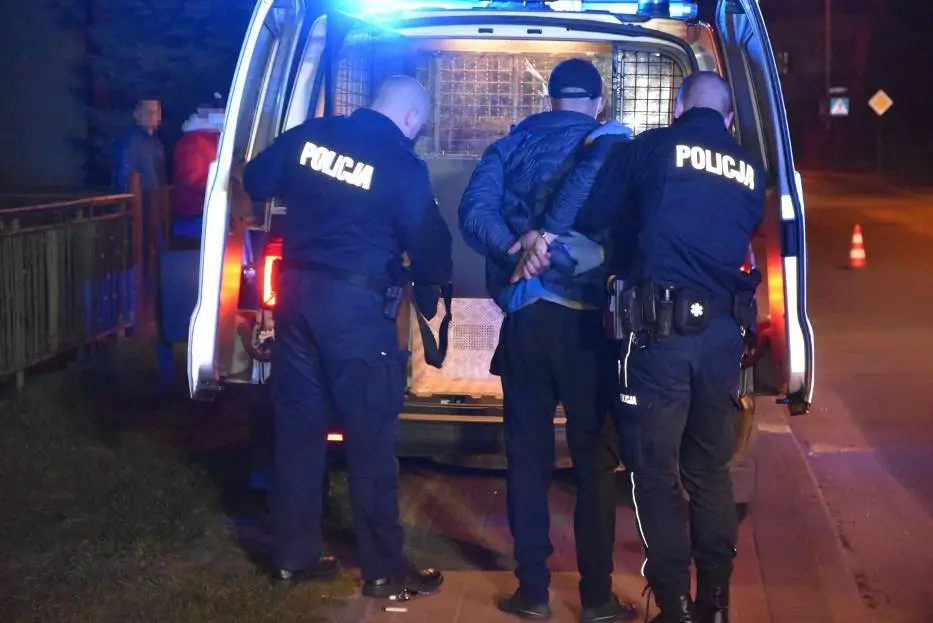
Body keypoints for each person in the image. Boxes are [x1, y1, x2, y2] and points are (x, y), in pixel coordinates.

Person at [518, 71, 765, 623]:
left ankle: (674, 604)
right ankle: (716, 605)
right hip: (722, 338)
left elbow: (596, 215)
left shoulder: (653, 147)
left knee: (654, 474)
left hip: (660, 336)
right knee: (709, 472)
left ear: (678, 107)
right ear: (728, 118)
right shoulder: (751, 168)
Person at [242, 75, 452, 599]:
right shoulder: (402, 164)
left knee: (298, 433)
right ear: (410, 117)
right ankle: (384, 570)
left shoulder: (311, 135)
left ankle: (293, 559)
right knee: (370, 440)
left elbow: (257, 179)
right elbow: (431, 252)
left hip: (296, 298)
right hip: (357, 310)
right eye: (419, 125)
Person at [459, 58, 636, 623]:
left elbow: (473, 214)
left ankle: (532, 592)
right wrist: (548, 252)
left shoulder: (506, 147)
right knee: (593, 462)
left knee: (527, 458)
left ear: (551, 97)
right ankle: (597, 598)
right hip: (587, 326)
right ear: (598, 101)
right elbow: (629, 227)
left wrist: (518, 251)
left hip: (526, 322)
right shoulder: (612, 148)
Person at [172, 106, 224, 240]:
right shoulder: (195, 142)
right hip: (195, 212)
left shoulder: (211, 138)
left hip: (207, 208)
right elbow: (191, 180)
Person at [112, 98, 167, 193]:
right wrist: (129, 199)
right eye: (150, 113)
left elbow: (161, 174)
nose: (156, 118)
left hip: (155, 197)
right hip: (139, 198)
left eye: (158, 112)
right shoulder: (129, 140)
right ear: (137, 115)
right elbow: (125, 176)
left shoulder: (156, 142)